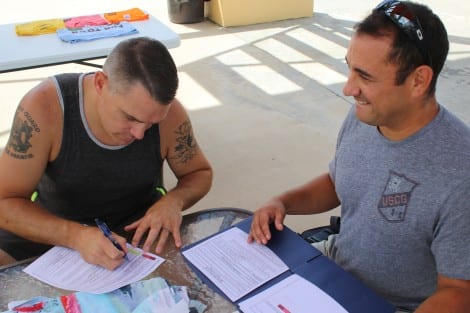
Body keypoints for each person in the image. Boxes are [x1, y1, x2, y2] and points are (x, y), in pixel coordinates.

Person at [248, 1, 470, 312]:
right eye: (349, 68)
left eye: (364, 76)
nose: (348, 88)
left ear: (418, 80)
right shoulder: (365, 115)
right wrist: (283, 202)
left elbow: (458, 291)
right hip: (333, 268)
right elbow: (339, 181)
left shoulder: (460, 171)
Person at [0, 37, 213, 270]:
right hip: (50, 230)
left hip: (136, 234)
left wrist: (174, 200)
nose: (140, 133)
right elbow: (5, 201)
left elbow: (199, 172)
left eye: (152, 123)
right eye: (130, 118)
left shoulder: (170, 116)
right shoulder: (45, 108)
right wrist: (75, 236)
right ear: (100, 83)